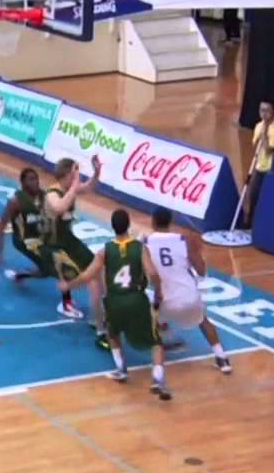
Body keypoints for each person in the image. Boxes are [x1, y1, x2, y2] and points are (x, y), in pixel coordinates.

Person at [61, 209, 172, 400]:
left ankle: (121, 369)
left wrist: (68, 284)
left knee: (113, 334)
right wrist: (159, 292)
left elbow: (88, 275)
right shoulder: (140, 248)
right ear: (128, 225)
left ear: (112, 227)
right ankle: (157, 378)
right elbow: (153, 274)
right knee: (155, 342)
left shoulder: (105, 251)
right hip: (136, 298)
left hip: (113, 301)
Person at [144, 206, 233, 372]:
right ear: (170, 222)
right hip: (189, 298)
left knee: (149, 310)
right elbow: (201, 270)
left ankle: (162, 351)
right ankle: (222, 358)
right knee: (204, 321)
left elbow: (144, 275)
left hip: (165, 301)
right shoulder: (184, 241)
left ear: (153, 222)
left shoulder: (145, 243)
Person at [43, 156, 109, 349]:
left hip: (68, 241)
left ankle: (97, 319)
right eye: (75, 172)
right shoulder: (52, 193)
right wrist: (74, 187)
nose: (77, 176)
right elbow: (58, 208)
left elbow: (88, 187)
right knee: (91, 278)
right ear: (68, 174)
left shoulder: (69, 188)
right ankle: (98, 327)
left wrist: (97, 172)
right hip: (53, 245)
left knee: (98, 273)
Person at [0, 167, 82, 313]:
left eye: (36, 178)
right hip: (24, 241)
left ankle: (20, 275)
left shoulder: (45, 196)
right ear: (22, 183)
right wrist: (0, 252)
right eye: (31, 179)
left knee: (46, 271)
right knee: (59, 260)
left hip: (41, 238)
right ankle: (66, 304)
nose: (35, 182)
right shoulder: (15, 201)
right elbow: (1, 226)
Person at [242, 99, 274, 230]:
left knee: (267, 199)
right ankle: (249, 223)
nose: (263, 114)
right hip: (259, 167)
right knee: (253, 195)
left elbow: (269, 149)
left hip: (271, 169)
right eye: (261, 110)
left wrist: (265, 133)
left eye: (266, 111)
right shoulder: (258, 125)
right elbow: (255, 146)